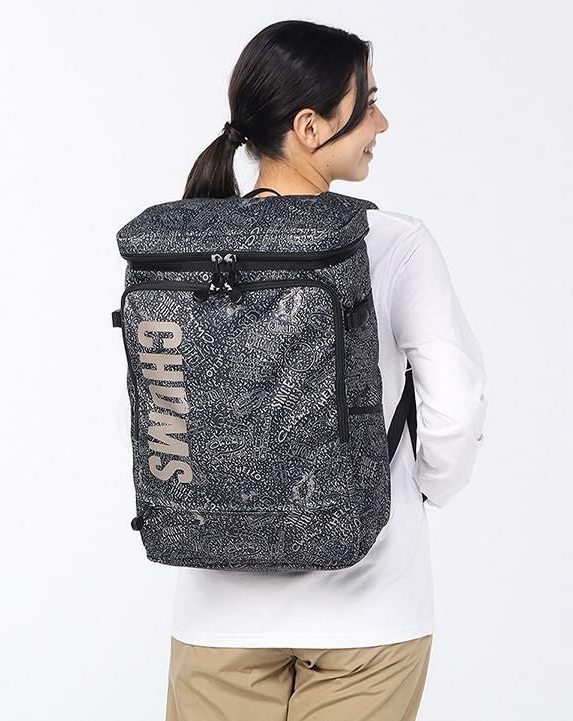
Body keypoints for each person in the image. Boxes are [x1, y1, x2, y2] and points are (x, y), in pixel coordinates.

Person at [164, 19, 488, 721]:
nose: (382, 122)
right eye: (367, 104)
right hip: (369, 609)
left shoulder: (180, 247)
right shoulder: (391, 241)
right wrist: (414, 492)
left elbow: (160, 402)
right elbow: (454, 409)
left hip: (217, 615)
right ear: (310, 127)